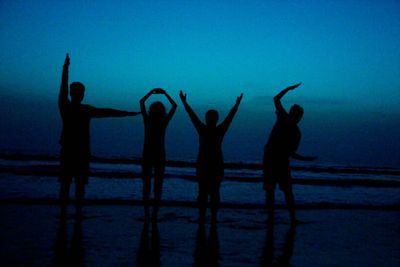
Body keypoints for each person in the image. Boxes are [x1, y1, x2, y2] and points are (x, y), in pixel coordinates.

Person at [58, 53, 140, 216]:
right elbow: (63, 86)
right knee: (71, 184)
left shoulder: (79, 108)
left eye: (81, 92)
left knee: (72, 184)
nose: (81, 94)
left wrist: (126, 113)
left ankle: (70, 214)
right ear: (76, 94)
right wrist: (65, 68)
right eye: (80, 92)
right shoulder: (69, 107)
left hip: (77, 151)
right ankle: (71, 214)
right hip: (72, 151)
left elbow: (107, 112)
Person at [180, 90, 243, 223]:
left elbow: (192, 116)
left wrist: (184, 102)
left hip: (207, 163)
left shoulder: (205, 129)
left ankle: (205, 217)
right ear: (215, 119)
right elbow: (229, 117)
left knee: (206, 191)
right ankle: (211, 218)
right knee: (212, 192)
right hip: (213, 163)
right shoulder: (216, 130)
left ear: (208, 118)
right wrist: (236, 105)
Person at [263, 83, 317, 224]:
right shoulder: (285, 119)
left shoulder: (295, 131)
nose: (299, 117)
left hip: (277, 159)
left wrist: (305, 158)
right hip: (273, 158)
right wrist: (289, 89)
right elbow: (276, 99)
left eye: (299, 115)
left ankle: (289, 218)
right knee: (276, 190)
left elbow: (290, 152)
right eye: (298, 115)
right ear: (295, 115)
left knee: (281, 190)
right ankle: (278, 218)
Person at [140, 88, 177, 221]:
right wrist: (151, 92)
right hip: (148, 154)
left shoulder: (163, 122)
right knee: (147, 185)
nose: (156, 111)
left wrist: (165, 93)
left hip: (159, 155)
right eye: (154, 108)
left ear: (161, 111)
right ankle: (146, 214)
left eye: (158, 109)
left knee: (157, 185)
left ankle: (154, 213)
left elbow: (174, 106)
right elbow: (141, 102)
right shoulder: (147, 120)